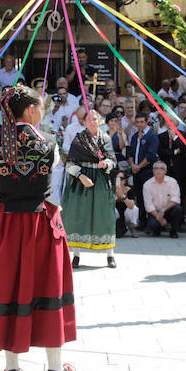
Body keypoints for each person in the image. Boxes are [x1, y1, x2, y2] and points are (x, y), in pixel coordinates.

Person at [0, 85, 77, 371]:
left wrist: (2, 202)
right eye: (39, 107)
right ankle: (55, 369)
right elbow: (50, 173)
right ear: (30, 110)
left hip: (6, 222)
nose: (41, 111)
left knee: (8, 286)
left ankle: (13, 367)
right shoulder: (50, 142)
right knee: (48, 287)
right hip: (41, 222)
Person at [62, 109, 117, 268]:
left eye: (95, 119)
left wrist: (106, 164)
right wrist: (80, 176)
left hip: (101, 180)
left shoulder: (105, 138)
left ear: (100, 121)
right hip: (82, 181)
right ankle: (76, 255)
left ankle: (110, 254)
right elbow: (70, 164)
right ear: (84, 122)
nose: (92, 122)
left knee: (104, 215)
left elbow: (113, 161)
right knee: (79, 215)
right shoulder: (79, 140)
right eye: (89, 120)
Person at [127, 113, 159, 228]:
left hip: (147, 171)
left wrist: (139, 166)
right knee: (139, 196)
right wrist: (132, 165)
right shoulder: (135, 136)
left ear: (146, 122)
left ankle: (151, 222)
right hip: (136, 171)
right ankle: (142, 221)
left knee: (148, 197)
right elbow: (130, 152)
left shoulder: (152, 136)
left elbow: (151, 155)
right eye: (137, 122)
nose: (139, 124)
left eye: (142, 122)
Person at [142, 161, 182, 238]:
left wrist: (163, 210)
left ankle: (173, 231)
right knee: (153, 225)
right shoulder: (147, 184)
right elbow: (148, 206)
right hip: (155, 212)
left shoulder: (172, 182)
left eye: (161, 168)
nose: (158, 170)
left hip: (168, 210)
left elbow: (176, 200)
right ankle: (157, 230)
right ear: (153, 171)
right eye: (156, 168)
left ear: (165, 171)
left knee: (178, 209)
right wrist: (159, 218)